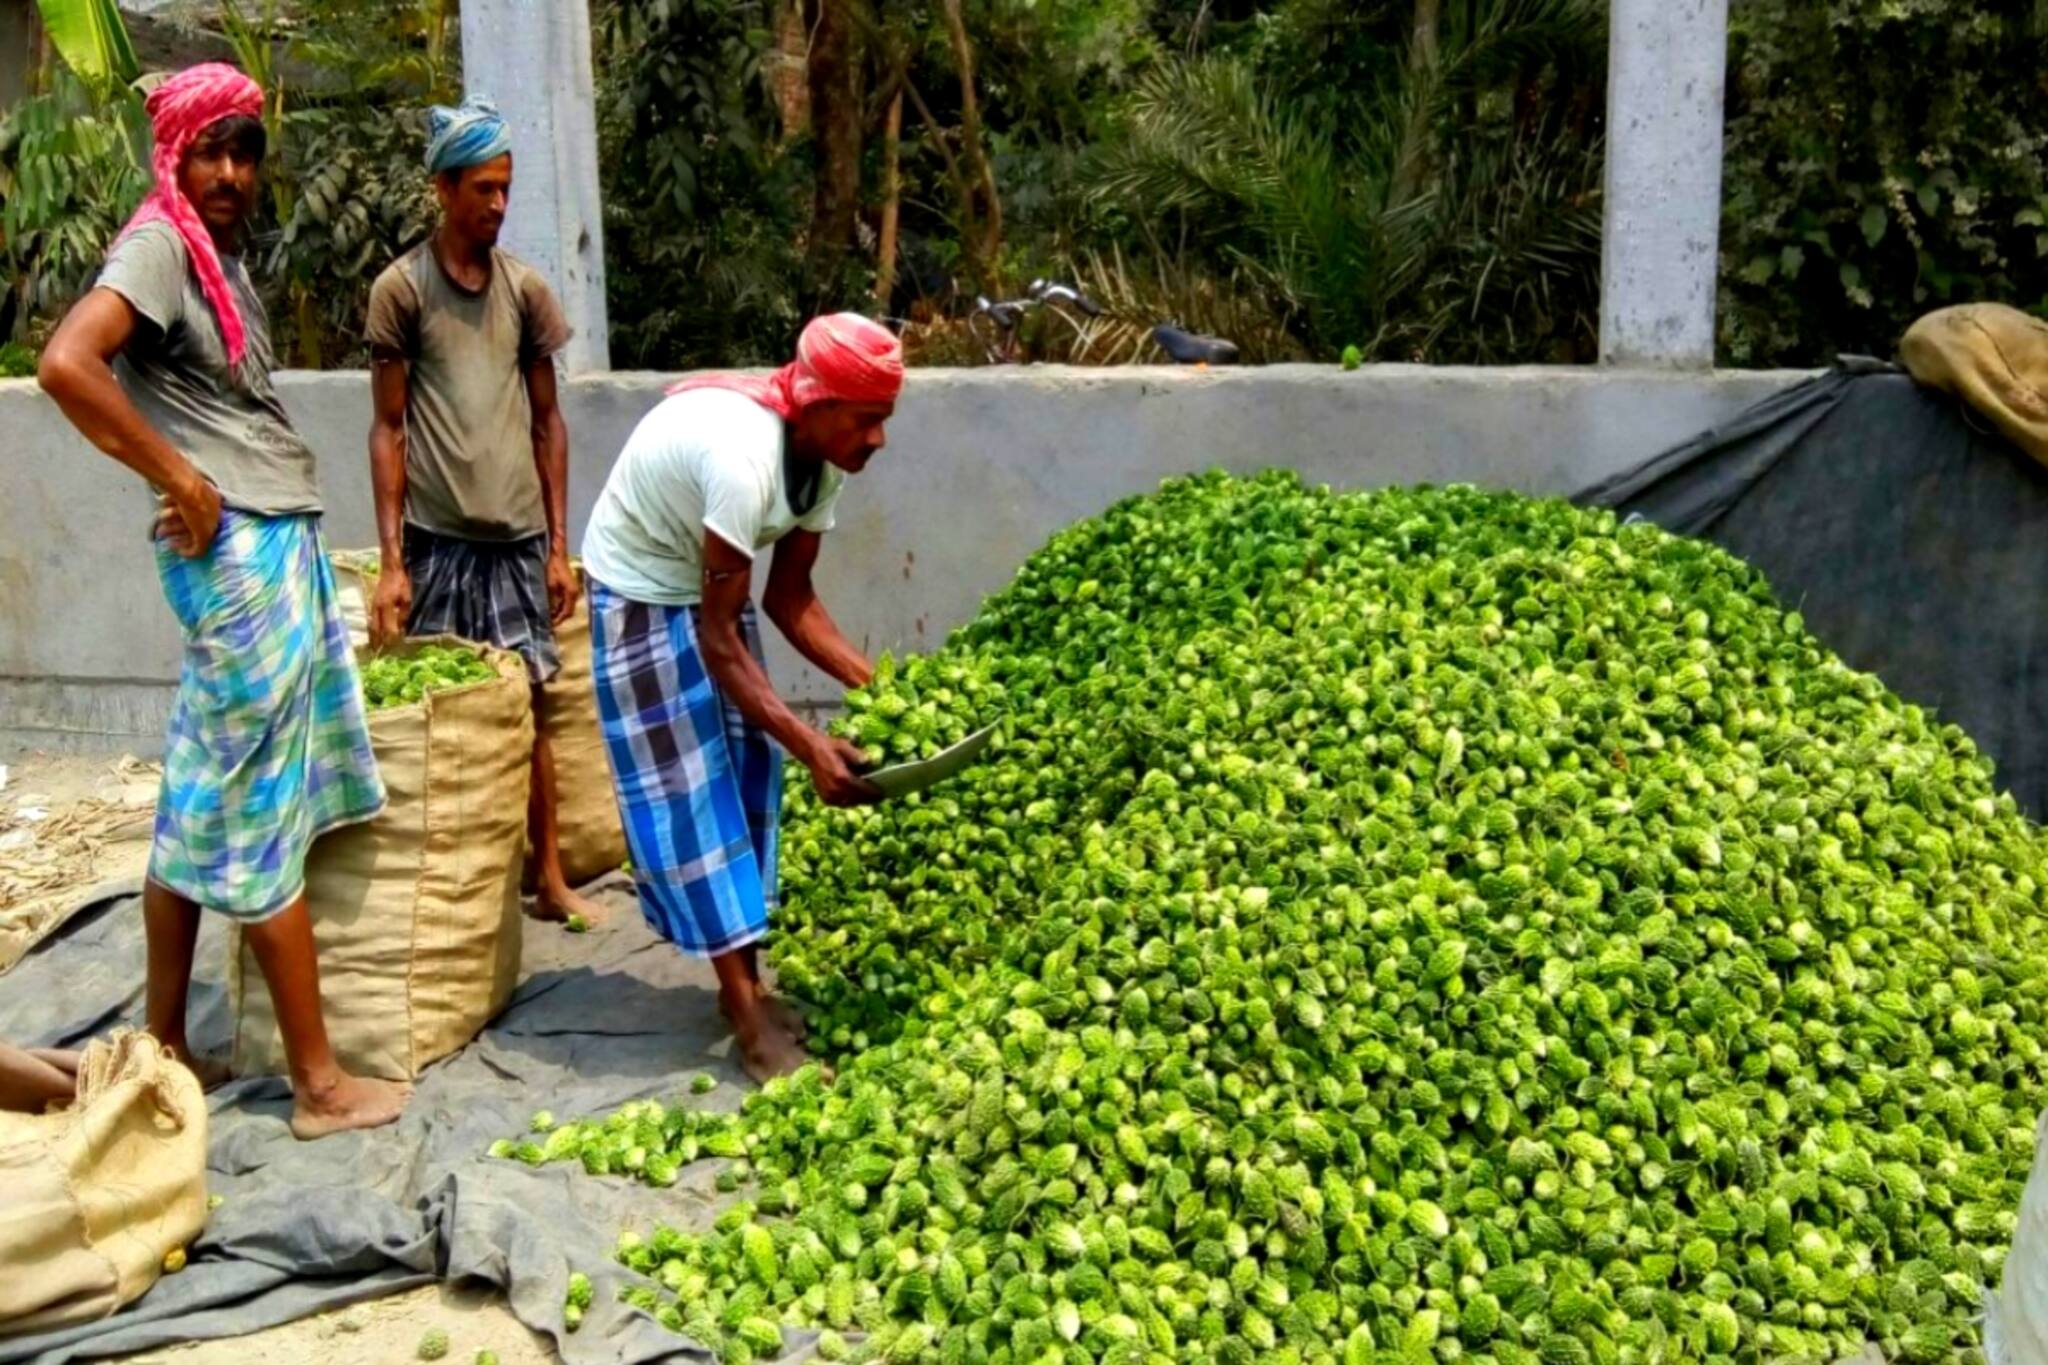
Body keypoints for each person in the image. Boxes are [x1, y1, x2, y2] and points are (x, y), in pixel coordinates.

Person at [37, 64, 407, 1139]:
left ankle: (162, 1044)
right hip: (238, 549)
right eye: (213, 152)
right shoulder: (156, 244)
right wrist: (183, 478)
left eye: (245, 151)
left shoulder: (210, 259)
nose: (233, 173)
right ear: (176, 156)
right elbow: (68, 363)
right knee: (258, 809)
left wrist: (195, 475)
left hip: (252, 538)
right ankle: (319, 1085)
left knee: (196, 798)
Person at [581, 314, 901, 1081]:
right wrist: (812, 740)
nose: (878, 440)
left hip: (705, 591)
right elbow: (719, 641)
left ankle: (746, 984)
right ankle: (746, 1012)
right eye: (867, 420)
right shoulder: (743, 460)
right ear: (820, 405)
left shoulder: (820, 464)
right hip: (638, 590)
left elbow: (791, 598)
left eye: (885, 421)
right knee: (694, 790)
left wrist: (888, 690)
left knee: (750, 768)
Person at [363, 96, 602, 926]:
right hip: (437, 543)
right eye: (482, 190)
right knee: (446, 717)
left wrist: (559, 546)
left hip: (517, 541)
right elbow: (388, 429)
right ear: (443, 189)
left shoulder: (526, 293)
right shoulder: (400, 292)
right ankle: (453, 890)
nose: (497, 205)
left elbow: (548, 423)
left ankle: (551, 877)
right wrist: (393, 562)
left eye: (505, 189)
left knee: (532, 706)